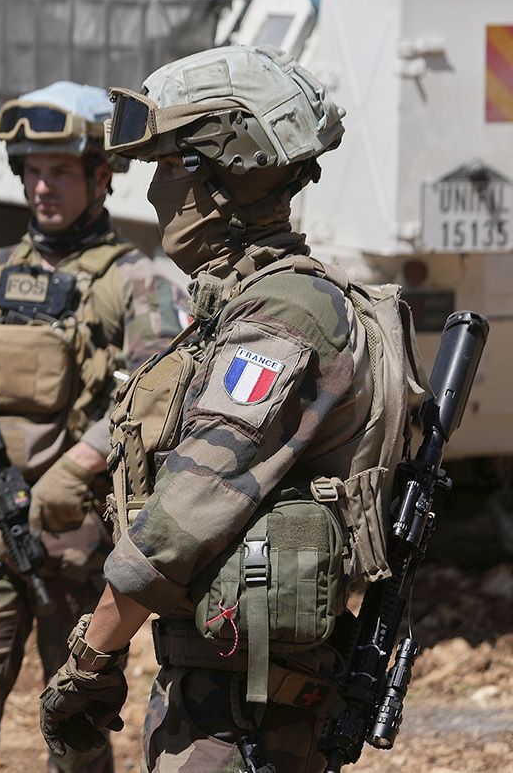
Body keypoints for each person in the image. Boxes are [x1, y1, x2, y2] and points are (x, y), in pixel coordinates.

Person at [40, 46, 411, 772]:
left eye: (169, 165)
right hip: (233, 697)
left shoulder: (282, 314)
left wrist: (91, 655)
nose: (153, 191)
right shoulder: (252, 300)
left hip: (243, 718)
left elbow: (180, 520)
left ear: (222, 173)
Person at [0, 81, 188, 773]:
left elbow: (153, 398)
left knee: (76, 722)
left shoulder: (137, 280)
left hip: (76, 543)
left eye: (59, 171)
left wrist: (79, 465)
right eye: (32, 171)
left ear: (101, 176)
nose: (42, 188)